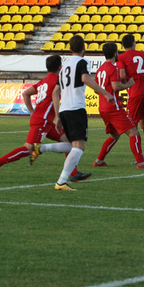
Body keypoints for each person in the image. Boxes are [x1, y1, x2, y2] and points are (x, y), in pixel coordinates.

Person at [0, 55, 91, 183]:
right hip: (43, 121)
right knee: (29, 148)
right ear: (60, 67)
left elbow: (25, 94)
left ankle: (74, 173)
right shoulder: (57, 80)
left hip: (45, 121)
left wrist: (32, 112)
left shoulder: (43, 82)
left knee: (69, 141)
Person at [48, 35, 114, 191]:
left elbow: (55, 92)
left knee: (72, 146)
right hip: (75, 108)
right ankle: (61, 181)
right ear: (84, 47)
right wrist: (105, 93)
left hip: (64, 109)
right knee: (79, 147)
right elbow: (85, 78)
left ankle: (42, 149)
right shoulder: (83, 62)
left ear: (70, 48)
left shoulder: (64, 67)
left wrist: (57, 115)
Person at [93, 42, 144, 169]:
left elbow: (97, 89)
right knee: (134, 133)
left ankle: (99, 161)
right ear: (115, 53)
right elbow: (116, 86)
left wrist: (114, 96)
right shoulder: (113, 67)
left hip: (103, 108)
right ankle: (141, 163)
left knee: (115, 135)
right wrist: (129, 84)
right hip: (113, 108)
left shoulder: (100, 69)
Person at [118, 34, 144, 162]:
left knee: (133, 126)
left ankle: (139, 158)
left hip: (135, 92)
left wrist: (127, 85)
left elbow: (122, 76)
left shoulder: (121, 57)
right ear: (133, 43)